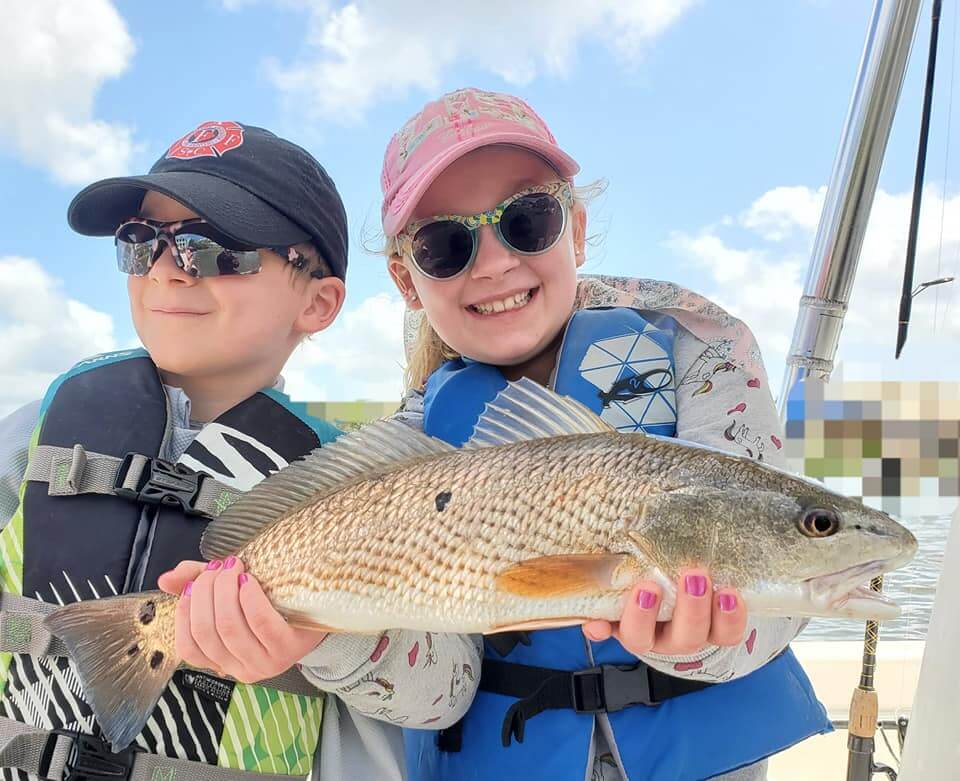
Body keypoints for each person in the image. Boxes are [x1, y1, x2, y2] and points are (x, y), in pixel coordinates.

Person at [0, 120, 479, 781]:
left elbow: (446, 688)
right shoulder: (41, 426)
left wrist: (333, 636)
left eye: (211, 247)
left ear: (318, 301)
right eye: (141, 242)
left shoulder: (361, 482)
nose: (168, 270)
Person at [379, 88, 831, 781]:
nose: (495, 261)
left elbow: (773, 569)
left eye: (528, 219)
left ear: (577, 229)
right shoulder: (408, 446)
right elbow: (426, 682)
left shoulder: (702, 349)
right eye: (445, 243)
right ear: (407, 280)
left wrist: (696, 645)